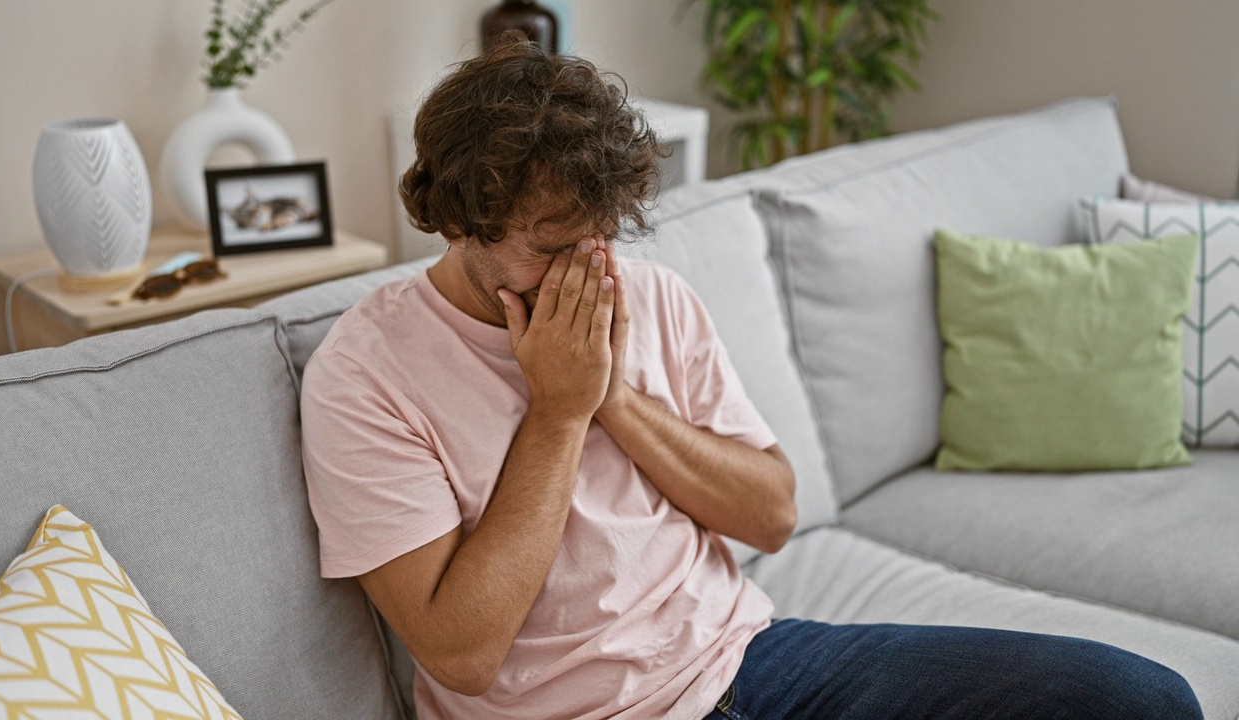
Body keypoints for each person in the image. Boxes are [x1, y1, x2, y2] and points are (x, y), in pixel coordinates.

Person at [298, 37, 1204, 720]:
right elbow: (462, 652)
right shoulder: (364, 375)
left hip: (755, 662)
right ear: (458, 218)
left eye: (601, 236)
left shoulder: (647, 294)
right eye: (551, 247)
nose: (591, 269)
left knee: (1141, 698)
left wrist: (613, 395)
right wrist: (560, 412)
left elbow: (772, 510)